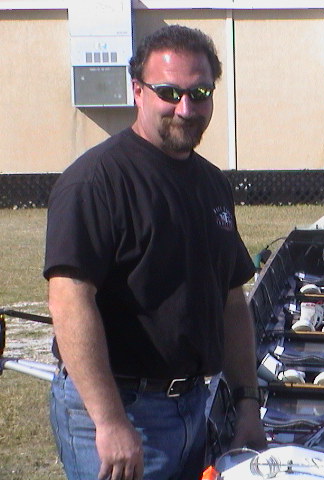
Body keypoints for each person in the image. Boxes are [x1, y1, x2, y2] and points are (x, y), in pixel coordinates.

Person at [44, 25, 266, 480]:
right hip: (119, 411)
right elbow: (69, 301)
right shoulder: (96, 182)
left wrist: (247, 402)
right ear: (137, 92)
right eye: (169, 92)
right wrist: (109, 422)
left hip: (193, 407)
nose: (186, 108)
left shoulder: (212, 185)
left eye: (200, 92)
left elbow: (230, 301)